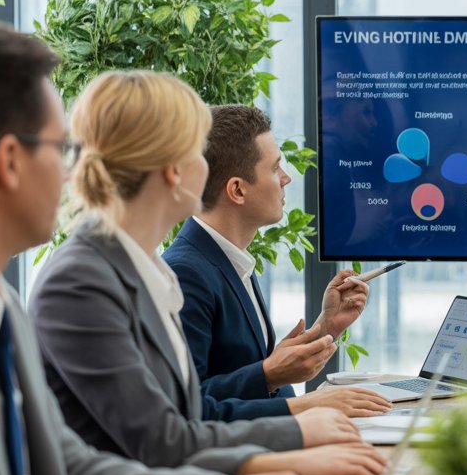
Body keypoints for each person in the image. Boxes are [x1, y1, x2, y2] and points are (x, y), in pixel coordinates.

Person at [0, 21, 322, 475]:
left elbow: (70, 467)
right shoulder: (67, 282)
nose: (74, 172)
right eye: (61, 149)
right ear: (12, 161)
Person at [28, 70, 386, 475]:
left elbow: (189, 414)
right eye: (198, 152)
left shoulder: (146, 269)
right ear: (173, 170)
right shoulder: (82, 282)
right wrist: (298, 430)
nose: (208, 165)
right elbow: (166, 439)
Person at [162, 104, 391, 422]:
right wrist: (293, 393)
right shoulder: (185, 273)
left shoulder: (229, 258)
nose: (286, 178)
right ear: (238, 190)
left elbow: (248, 372)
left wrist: (325, 328)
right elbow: (188, 408)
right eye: (274, 168)